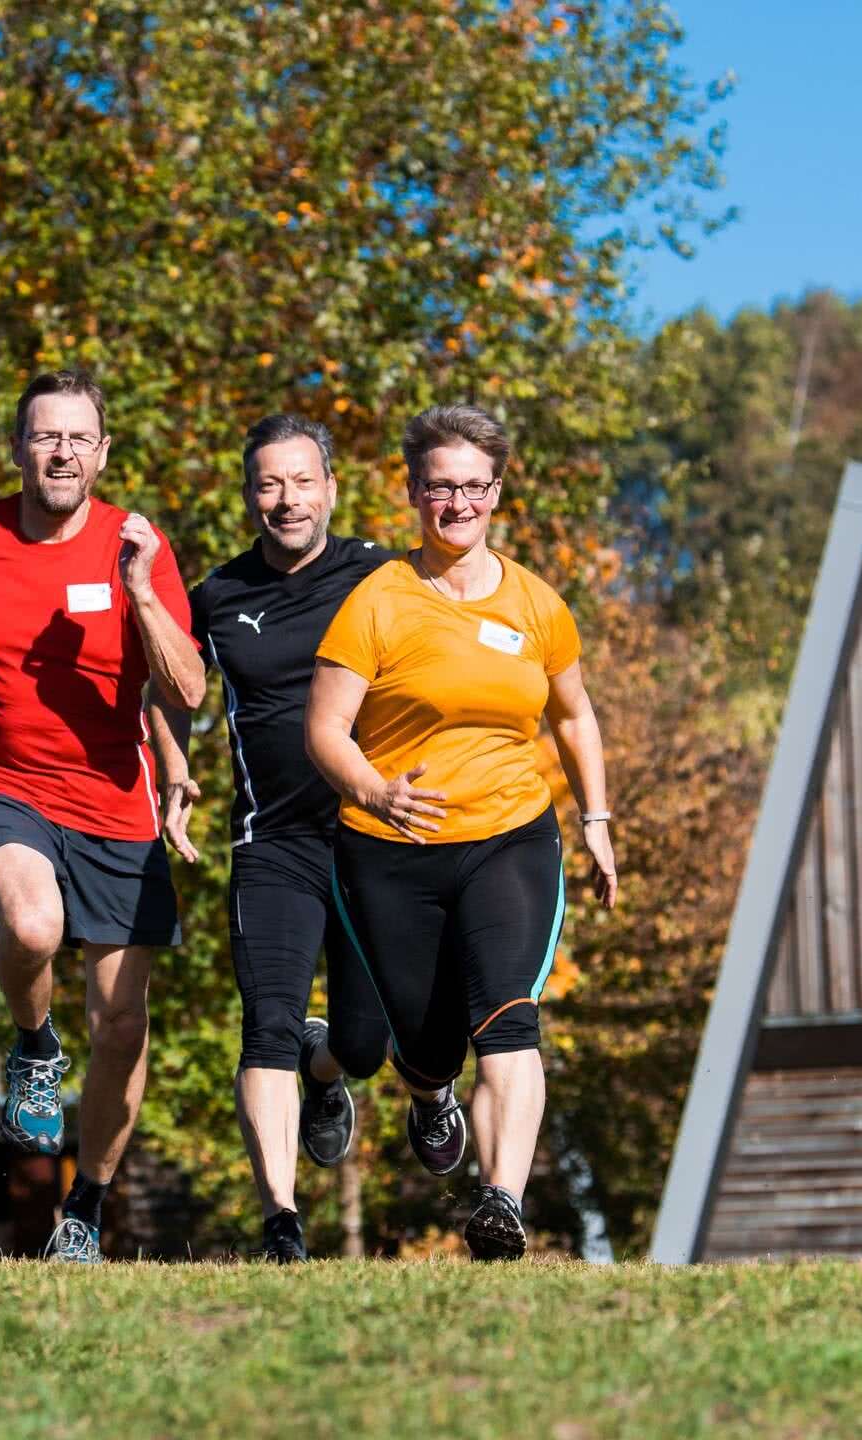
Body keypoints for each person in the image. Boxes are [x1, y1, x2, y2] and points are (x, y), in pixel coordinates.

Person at [0, 369, 206, 1264]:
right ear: (19, 448)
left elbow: (187, 689)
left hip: (115, 801)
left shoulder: (136, 545)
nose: (61, 453)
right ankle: (34, 1044)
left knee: (122, 1024)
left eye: (78, 438)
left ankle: (84, 1208)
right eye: (45, 436)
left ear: (102, 453)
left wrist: (139, 591)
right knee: (31, 924)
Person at [306, 403, 617, 1261]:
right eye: (441, 487)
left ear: (497, 493)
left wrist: (595, 819)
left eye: (475, 487)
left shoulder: (537, 604)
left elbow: (574, 715)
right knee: (429, 1045)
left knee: (509, 1017)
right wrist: (374, 790)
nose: (458, 504)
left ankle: (502, 1202)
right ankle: (427, 1091)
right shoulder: (376, 602)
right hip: (390, 851)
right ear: (414, 493)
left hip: (510, 837)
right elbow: (324, 729)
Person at [151, 413, 447, 1263]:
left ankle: (336, 1070)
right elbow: (170, 690)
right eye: (270, 484)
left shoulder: (383, 575)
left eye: (302, 482)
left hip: (374, 836)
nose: (287, 500)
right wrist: (175, 771)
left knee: (363, 1044)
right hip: (271, 841)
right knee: (266, 1025)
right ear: (250, 495)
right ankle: (280, 1222)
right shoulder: (217, 596)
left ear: (331, 489)